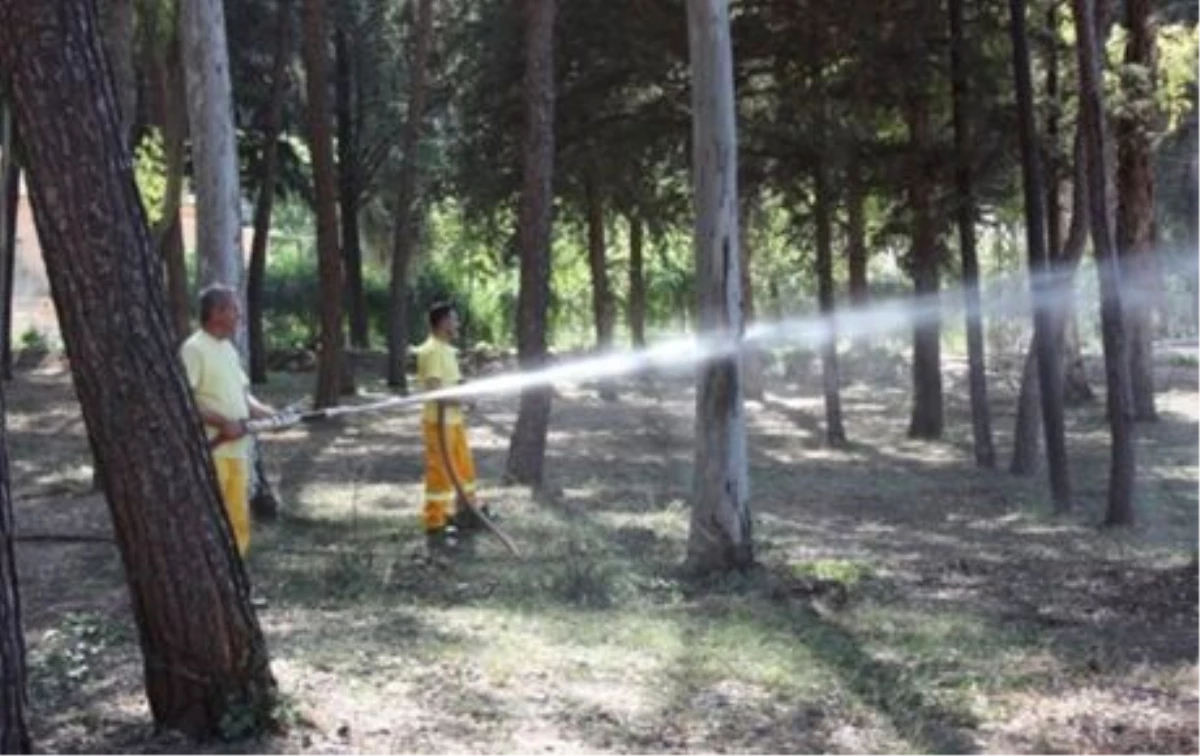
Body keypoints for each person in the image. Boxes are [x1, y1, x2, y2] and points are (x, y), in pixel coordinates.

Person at [180, 285, 276, 562]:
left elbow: (244, 396)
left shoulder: (228, 349)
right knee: (214, 523)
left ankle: (238, 582)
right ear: (217, 312)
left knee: (238, 521)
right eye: (234, 309)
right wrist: (223, 423)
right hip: (213, 453)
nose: (239, 315)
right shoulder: (194, 348)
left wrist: (269, 414)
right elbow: (184, 400)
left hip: (237, 452)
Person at [415, 302, 490, 553]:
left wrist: (468, 391)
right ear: (443, 322)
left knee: (464, 468)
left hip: (454, 421)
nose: (457, 324)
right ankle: (434, 522)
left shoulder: (447, 350)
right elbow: (436, 391)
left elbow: (454, 384)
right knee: (440, 473)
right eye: (454, 320)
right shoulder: (431, 351)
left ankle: (467, 512)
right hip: (438, 422)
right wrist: (462, 398)